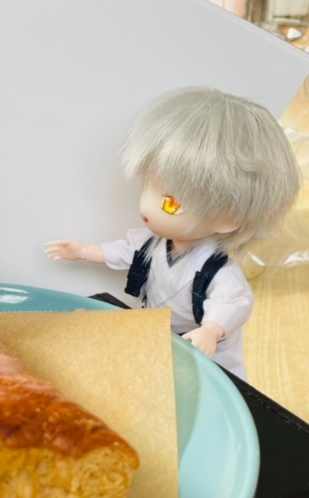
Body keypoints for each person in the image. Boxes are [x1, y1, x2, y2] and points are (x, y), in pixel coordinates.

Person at [46, 86, 301, 379]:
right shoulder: (152, 244)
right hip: (156, 330)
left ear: (227, 218)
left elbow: (233, 302)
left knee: (200, 381)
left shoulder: (218, 272)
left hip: (199, 346)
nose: (146, 206)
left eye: (171, 203)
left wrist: (211, 330)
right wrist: (84, 251)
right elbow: (125, 252)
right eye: (147, 186)